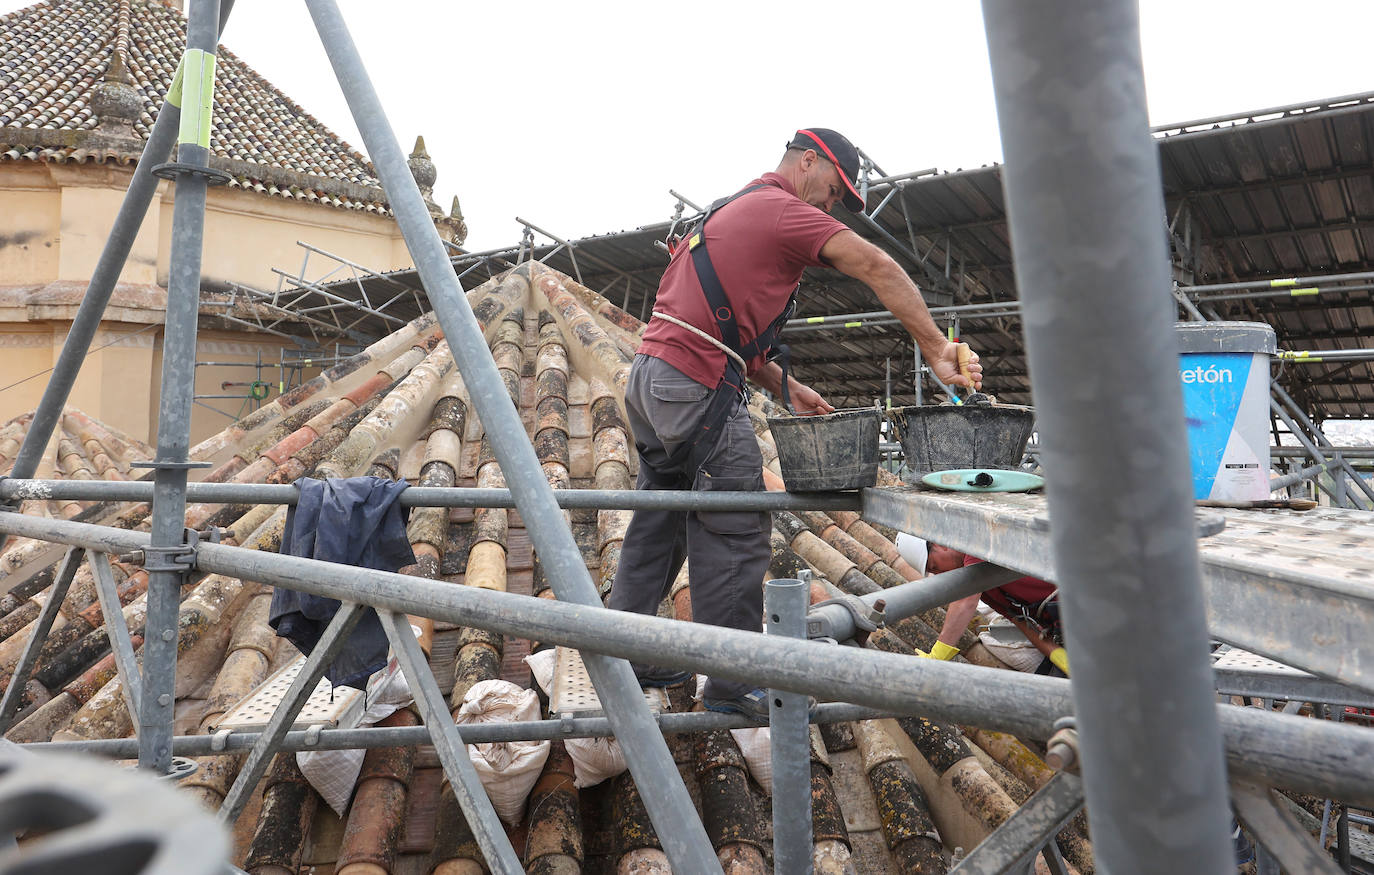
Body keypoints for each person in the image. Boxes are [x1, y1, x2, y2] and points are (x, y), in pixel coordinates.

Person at [607, 128, 983, 722]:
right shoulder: (781, 209)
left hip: (653, 379)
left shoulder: (731, 210)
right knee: (736, 520)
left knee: (664, 516)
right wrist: (937, 348)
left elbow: (720, 328)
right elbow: (876, 264)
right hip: (695, 381)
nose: (832, 206)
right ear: (809, 162)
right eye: (835, 191)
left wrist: (789, 389)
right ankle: (734, 679)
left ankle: (626, 652)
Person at [922, 542, 1068, 677]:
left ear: (940, 544)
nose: (940, 574)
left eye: (934, 567)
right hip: (1064, 625)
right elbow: (1021, 621)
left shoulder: (978, 545)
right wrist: (1056, 655)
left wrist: (938, 654)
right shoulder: (985, 587)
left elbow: (965, 601)